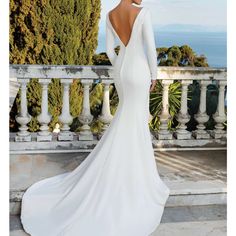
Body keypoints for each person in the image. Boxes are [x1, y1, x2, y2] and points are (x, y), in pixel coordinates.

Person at [20, 0, 170, 235]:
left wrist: (121, 64)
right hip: (139, 70)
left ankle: (121, 166)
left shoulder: (111, 14)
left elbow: (110, 51)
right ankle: (134, 175)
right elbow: (150, 48)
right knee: (134, 121)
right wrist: (154, 75)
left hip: (121, 70)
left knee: (126, 118)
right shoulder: (143, 13)